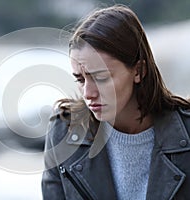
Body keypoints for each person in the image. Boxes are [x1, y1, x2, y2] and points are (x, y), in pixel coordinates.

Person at [41, 4, 190, 200]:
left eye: (101, 78)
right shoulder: (63, 131)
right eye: (80, 79)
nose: (88, 93)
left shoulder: (186, 130)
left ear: (138, 71)